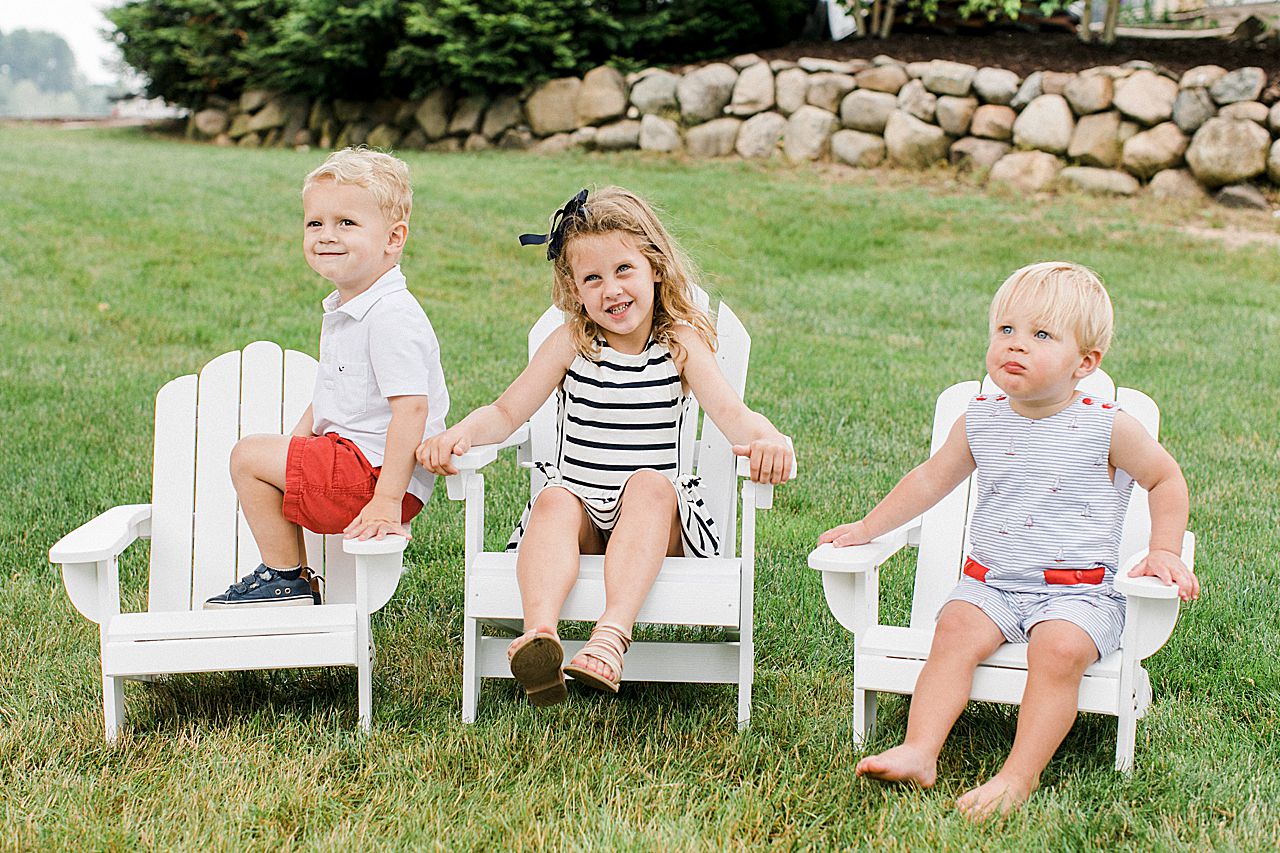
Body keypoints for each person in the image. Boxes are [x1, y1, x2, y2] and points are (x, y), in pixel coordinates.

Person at [818, 261, 1198, 819]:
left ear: (1085, 364)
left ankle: (1017, 777)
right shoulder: (980, 419)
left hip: (1081, 593)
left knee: (1058, 649)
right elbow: (928, 480)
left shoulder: (1108, 426)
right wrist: (868, 529)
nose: (1015, 345)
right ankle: (920, 750)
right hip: (991, 582)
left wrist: (1163, 549)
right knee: (952, 631)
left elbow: (1166, 479)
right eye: (1006, 330)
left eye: (1041, 335)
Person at [417, 187, 793, 706]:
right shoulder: (571, 342)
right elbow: (507, 412)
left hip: (656, 522)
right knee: (554, 498)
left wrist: (768, 438)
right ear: (574, 289)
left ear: (655, 268)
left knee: (648, 486)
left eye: (623, 270)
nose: (611, 290)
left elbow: (732, 415)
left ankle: (611, 637)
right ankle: (539, 636)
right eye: (593, 278)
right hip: (587, 516)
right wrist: (461, 433)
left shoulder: (679, 343)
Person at [204, 147, 449, 608]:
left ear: (393, 238)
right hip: (357, 464)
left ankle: (285, 579)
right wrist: (296, 443)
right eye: (315, 223)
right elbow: (332, 394)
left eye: (346, 224)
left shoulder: (391, 316)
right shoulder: (352, 307)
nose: (326, 236)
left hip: (373, 475)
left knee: (246, 458)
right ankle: (289, 578)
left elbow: (412, 410)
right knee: (261, 458)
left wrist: (386, 499)